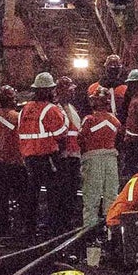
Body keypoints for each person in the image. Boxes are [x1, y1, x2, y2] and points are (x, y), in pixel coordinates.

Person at [18, 72, 70, 232]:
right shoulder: (51, 110)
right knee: (53, 192)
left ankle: (29, 227)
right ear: (48, 90)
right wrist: (65, 116)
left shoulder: (25, 108)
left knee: (32, 192)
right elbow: (61, 133)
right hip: (47, 157)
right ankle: (53, 226)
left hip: (29, 158)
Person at [0, 86, 27, 234]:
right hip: (16, 162)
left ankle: (3, 226)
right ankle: (22, 225)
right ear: (13, 100)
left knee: (1, 197)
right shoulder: (16, 117)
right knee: (21, 195)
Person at [80, 90, 121, 226]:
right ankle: (109, 229)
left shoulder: (89, 120)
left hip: (92, 159)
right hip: (111, 159)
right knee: (111, 195)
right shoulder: (114, 121)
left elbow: (80, 139)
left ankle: (89, 232)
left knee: (92, 196)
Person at [51, 76, 82, 232]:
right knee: (63, 190)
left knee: (71, 190)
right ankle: (60, 223)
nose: (73, 93)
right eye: (70, 90)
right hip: (64, 156)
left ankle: (67, 220)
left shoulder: (71, 107)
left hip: (73, 155)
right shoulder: (57, 109)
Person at [88, 54, 128, 119]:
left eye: (115, 69)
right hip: (99, 123)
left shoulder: (125, 89)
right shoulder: (93, 88)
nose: (113, 72)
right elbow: (89, 109)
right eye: (111, 69)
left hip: (119, 123)